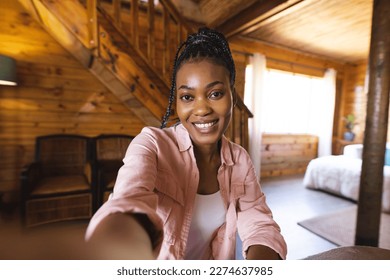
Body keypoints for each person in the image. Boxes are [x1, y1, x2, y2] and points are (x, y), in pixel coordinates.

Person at [85, 27, 287, 260]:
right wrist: (117, 245)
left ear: (232, 94)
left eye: (215, 93)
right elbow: (130, 199)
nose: (201, 109)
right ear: (177, 101)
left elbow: (260, 223)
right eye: (188, 97)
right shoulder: (151, 144)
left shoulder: (239, 160)